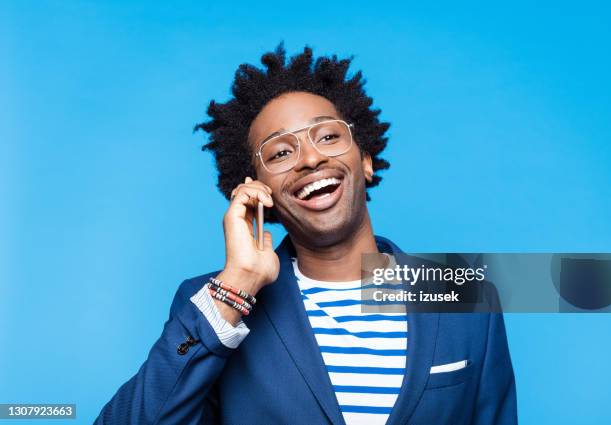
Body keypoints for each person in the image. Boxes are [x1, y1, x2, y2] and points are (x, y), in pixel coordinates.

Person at [95, 42, 517, 425]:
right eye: (280, 152)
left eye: (328, 136)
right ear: (258, 191)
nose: (310, 158)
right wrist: (237, 286)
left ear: (365, 159)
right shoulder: (220, 302)